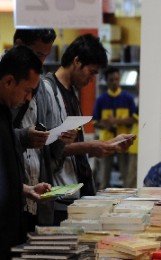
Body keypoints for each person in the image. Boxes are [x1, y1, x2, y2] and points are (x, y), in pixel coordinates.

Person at [43, 33, 134, 225]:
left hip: (78, 191)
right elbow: (46, 148)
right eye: (91, 72)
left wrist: (109, 144)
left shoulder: (72, 93)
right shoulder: (47, 90)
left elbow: (73, 145)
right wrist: (89, 147)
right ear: (77, 61)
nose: (92, 79)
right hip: (59, 195)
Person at [12, 28, 77, 231]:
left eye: (45, 56)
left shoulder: (42, 88)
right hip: (11, 203)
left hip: (37, 200)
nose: (40, 62)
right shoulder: (6, 83)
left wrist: (61, 139)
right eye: (37, 54)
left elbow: (50, 155)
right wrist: (24, 137)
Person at [0, 46, 52, 259]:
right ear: (9, 81)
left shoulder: (5, 113)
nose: (29, 99)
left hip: (12, 233)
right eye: (27, 90)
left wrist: (23, 188)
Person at [92, 67, 137, 189]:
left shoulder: (128, 98)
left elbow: (134, 119)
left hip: (124, 143)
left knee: (127, 178)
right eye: (111, 79)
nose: (114, 82)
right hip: (106, 142)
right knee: (104, 179)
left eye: (117, 79)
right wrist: (106, 124)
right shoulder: (101, 100)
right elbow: (95, 122)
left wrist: (115, 121)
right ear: (106, 81)